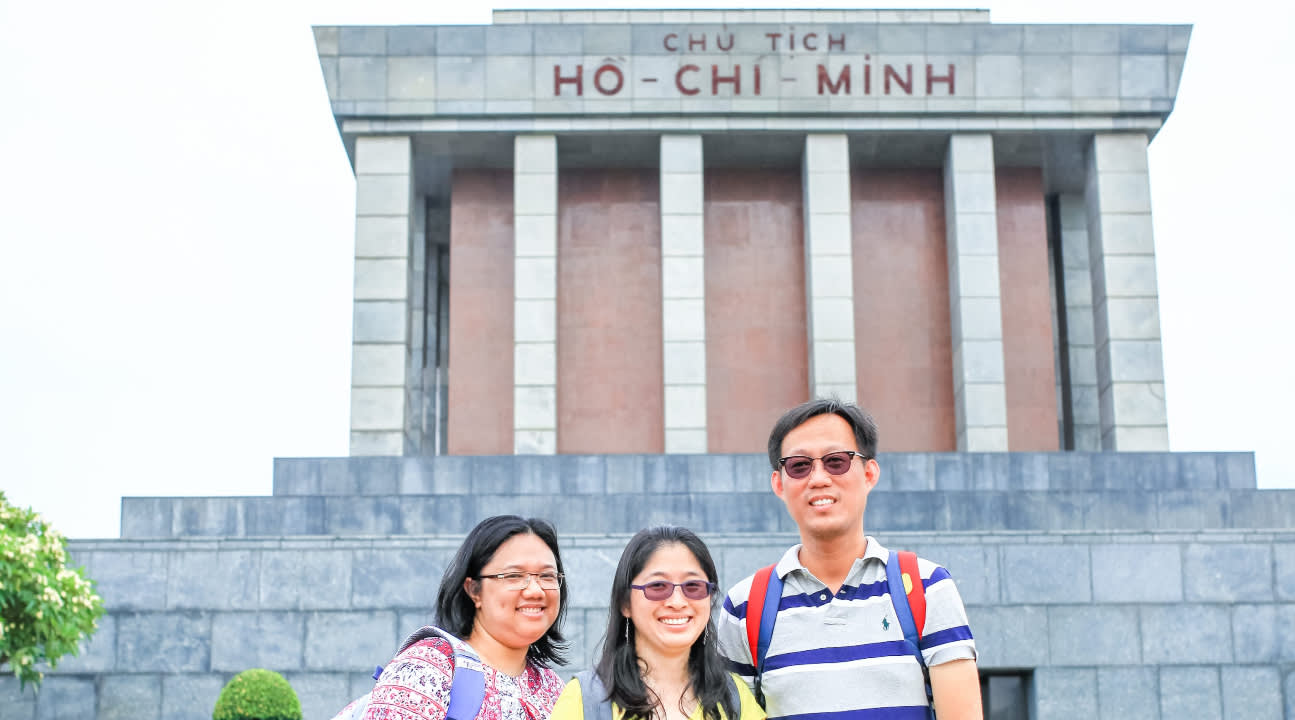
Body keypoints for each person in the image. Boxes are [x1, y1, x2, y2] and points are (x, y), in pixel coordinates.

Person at [716, 399, 982, 720]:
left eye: (836, 461)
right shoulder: (746, 607)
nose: (818, 478)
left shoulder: (926, 588)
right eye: (799, 465)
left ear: (869, 473)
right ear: (778, 483)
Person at [333, 515, 570, 720]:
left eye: (547, 576)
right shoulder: (428, 668)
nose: (535, 591)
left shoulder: (553, 689)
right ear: (474, 590)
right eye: (514, 576)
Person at [551, 526, 764, 720]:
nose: (677, 602)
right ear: (625, 603)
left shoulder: (735, 699)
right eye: (658, 586)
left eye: (693, 586)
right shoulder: (584, 701)